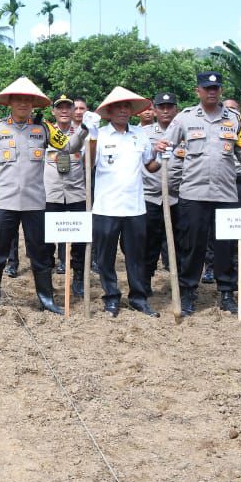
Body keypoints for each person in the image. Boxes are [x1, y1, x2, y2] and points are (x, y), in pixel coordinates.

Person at [0, 77, 92, 320]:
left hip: (35, 202)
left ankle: (46, 298)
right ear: (9, 102)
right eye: (18, 99)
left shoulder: (44, 129)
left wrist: (84, 130)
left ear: (34, 103)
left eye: (28, 100)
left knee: (40, 253)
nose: (23, 103)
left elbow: (69, 148)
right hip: (5, 201)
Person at [156, 72, 241, 316]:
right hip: (193, 193)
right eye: (207, 88)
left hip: (226, 193)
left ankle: (227, 293)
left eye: (215, 88)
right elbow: (166, 144)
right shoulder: (185, 118)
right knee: (192, 246)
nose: (212, 92)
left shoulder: (235, 118)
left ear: (220, 90)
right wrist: (160, 146)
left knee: (225, 247)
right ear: (198, 91)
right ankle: (188, 292)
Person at [90, 88, 162, 317]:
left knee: (136, 257)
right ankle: (111, 297)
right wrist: (90, 137)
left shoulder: (139, 134)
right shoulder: (99, 135)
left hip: (135, 207)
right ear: (109, 111)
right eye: (118, 107)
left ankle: (138, 298)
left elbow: (150, 165)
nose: (123, 110)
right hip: (106, 207)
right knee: (105, 257)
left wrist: (162, 156)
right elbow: (87, 164)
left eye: (127, 106)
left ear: (131, 111)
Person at [202, 98, 241, 284]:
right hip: (218, 181)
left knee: (240, 226)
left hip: (239, 180)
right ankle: (210, 267)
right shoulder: (213, 129)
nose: (231, 112)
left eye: (234, 109)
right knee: (213, 227)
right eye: (227, 108)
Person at [42, 95, 88, 296]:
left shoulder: (83, 133)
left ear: (73, 111)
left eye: (68, 107)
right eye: (59, 107)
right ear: (53, 111)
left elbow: (90, 162)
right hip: (51, 195)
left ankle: (78, 278)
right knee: (47, 242)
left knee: (79, 242)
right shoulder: (45, 132)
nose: (64, 111)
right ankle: (47, 280)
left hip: (76, 194)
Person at [141, 92, 184, 289]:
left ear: (176, 109)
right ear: (155, 110)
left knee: (180, 243)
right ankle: (145, 283)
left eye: (170, 107)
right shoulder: (143, 133)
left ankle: (181, 284)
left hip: (178, 197)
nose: (166, 111)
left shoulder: (186, 131)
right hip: (150, 197)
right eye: (161, 107)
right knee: (148, 243)